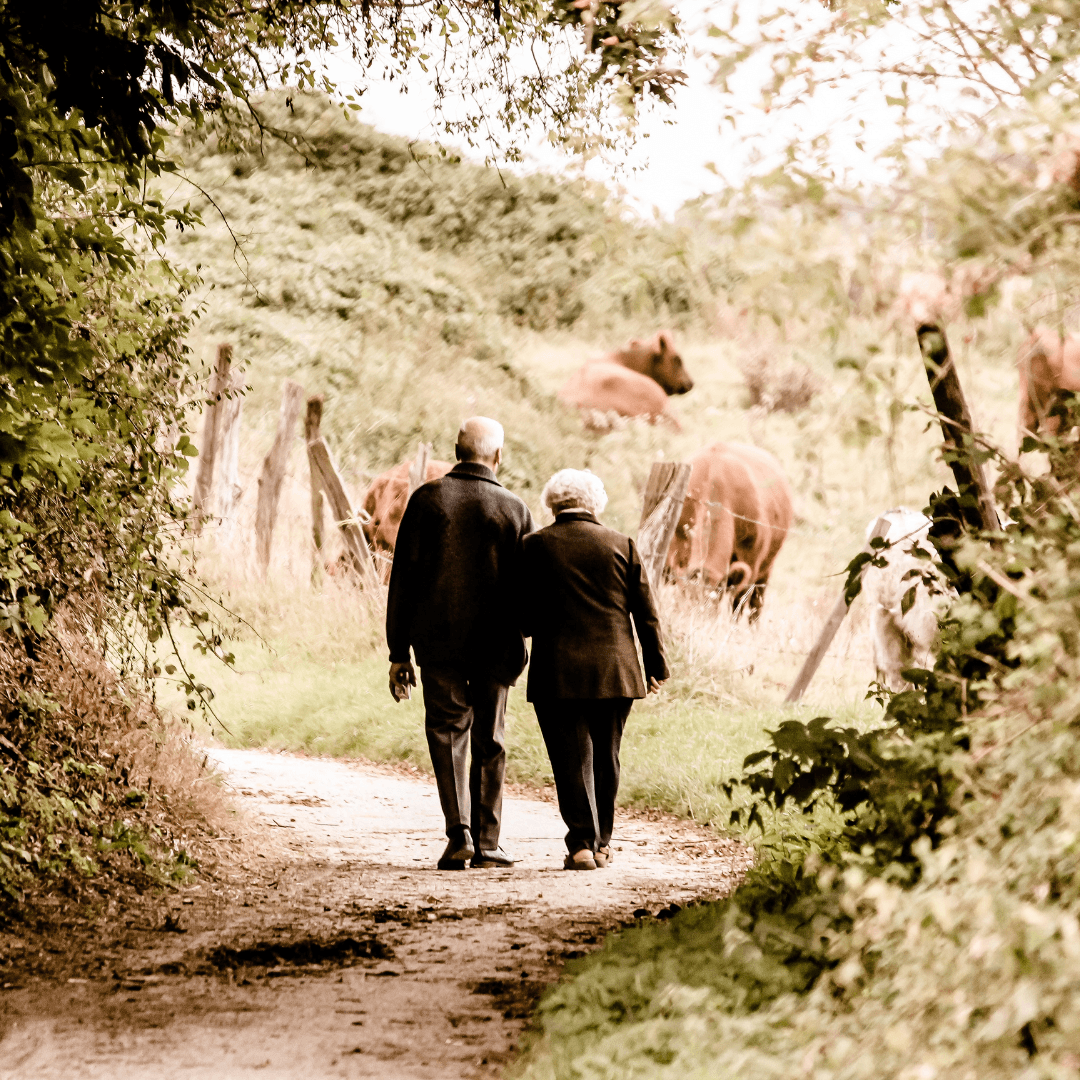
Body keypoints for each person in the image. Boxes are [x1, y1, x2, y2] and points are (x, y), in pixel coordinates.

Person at [386, 417, 535, 871]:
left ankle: (460, 836)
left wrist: (398, 652)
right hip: (497, 644)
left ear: (456, 449)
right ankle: (489, 843)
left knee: (448, 733)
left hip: (438, 642)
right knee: (491, 736)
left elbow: (403, 580)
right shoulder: (514, 508)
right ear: (498, 456)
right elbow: (528, 587)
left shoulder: (428, 500)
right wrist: (524, 634)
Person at [521, 469, 669, 871]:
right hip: (617, 669)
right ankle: (602, 843)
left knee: (570, 757)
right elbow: (646, 613)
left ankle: (581, 844)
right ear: (595, 503)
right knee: (607, 755)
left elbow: (524, 618)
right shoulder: (622, 544)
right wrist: (655, 665)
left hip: (557, 670)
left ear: (552, 502)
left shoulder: (534, 546)